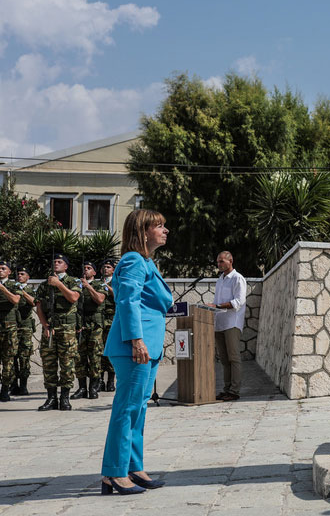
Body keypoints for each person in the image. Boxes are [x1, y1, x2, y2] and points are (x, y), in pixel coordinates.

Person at [100, 209, 171, 495]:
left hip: (145, 346)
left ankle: (133, 466)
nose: (165, 231)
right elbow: (127, 302)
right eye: (159, 226)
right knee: (127, 408)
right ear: (143, 232)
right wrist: (136, 340)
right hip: (134, 346)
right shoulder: (133, 260)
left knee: (138, 408)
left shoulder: (144, 261)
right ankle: (114, 472)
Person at [35, 254, 82, 411]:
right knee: (49, 363)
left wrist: (58, 284)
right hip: (50, 329)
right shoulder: (44, 285)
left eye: (59, 262)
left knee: (67, 364)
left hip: (67, 330)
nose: (56, 263)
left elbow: (74, 297)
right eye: (54, 261)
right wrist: (44, 325)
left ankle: (65, 398)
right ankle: (51, 398)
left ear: (66, 266)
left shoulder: (72, 282)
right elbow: (39, 306)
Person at [207, 251, 246, 401]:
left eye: (222, 261)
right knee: (224, 359)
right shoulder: (220, 280)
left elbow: (238, 302)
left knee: (234, 358)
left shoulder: (238, 279)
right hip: (220, 323)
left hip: (232, 323)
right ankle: (226, 389)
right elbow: (217, 302)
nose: (219, 264)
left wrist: (216, 305)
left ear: (231, 261)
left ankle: (234, 391)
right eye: (218, 262)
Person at [72, 260, 107, 400]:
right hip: (80, 324)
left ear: (94, 272)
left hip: (95, 325)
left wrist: (88, 287)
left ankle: (93, 387)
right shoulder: (76, 285)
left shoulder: (100, 284)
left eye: (88, 268)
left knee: (94, 356)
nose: (85, 270)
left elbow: (100, 300)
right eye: (84, 268)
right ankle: (81, 388)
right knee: (79, 357)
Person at [0, 260, 23, 402]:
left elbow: (15, 300)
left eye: (3, 268)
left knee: (8, 360)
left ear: (9, 272)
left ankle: (5, 389)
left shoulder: (14, 285)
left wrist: (2, 289)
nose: (0, 270)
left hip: (9, 328)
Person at [13, 266, 36, 396]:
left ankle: (23, 385)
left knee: (24, 357)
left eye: (22, 274)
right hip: (12, 327)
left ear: (28, 277)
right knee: (11, 357)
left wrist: (23, 292)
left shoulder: (30, 290)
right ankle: (13, 384)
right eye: (18, 274)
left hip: (25, 327)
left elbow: (34, 303)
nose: (19, 276)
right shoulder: (11, 288)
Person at [99, 259, 117, 392]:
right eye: (104, 267)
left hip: (112, 320)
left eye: (108, 267)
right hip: (100, 320)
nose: (106, 269)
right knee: (99, 352)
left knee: (110, 350)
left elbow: (118, 295)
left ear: (113, 270)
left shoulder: (117, 281)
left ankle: (110, 381)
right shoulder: (97, 283)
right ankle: (99, 381)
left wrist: (107, 286)